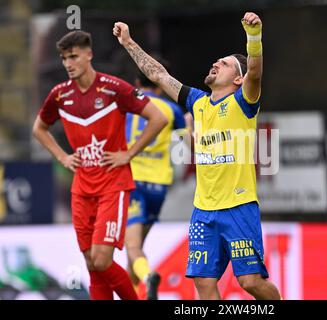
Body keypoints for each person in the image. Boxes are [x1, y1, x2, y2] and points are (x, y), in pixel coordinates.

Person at [113, 12, 281, 300]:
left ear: (238, 79)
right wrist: (129, 42)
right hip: (203, 211)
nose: (216, 63)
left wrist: (254, 38)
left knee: (251, 282)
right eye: (217, 61)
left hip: (239, 207)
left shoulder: (243, 102)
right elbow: (157, 75)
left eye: (225, 63)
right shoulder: (197, 102)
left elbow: (255, 72)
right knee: (203, 282)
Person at [32, 30, 168, 300]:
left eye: (73, 57)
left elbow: (158, 117)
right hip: (81, 187)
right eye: (63, 58)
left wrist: (128, 154)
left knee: (102, 259)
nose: (68, 64)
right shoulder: (60, 95)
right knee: (92, 266)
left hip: (112, 185)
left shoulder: (113, 88)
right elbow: (40, 128)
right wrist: (62, 156)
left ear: (88, 55)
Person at [125, 70, 191, 300]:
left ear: (136, 82)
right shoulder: (171, 110)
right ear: (160, 87)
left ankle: (148, 276)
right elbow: (186, 144)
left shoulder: (126, 104)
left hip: (132, 182)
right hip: (159, 186)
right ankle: (135, 293)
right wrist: (190, 121)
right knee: (136, 248)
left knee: (132, 247)